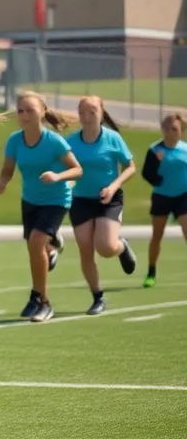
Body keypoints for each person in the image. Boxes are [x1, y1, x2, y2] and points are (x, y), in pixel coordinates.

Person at [0, 92, 83, 322]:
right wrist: (3, 182)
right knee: (35, 250)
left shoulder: (54, 141)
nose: (23, 115)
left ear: (42, 112)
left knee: (36, 242)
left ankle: (44, 302)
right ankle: (49, 254)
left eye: (30, 110)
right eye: (20, 110)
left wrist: (57, 176)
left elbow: (77, 170)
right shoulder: (15, 140)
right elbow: (7, 169)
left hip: (56, 200)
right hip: (30, 200)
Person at [66, 96, 138, 314]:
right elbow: (68, 170)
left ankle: (122, 246)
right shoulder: (71, 142)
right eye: (82, 113)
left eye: (92, 111)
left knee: (106, 247)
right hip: (81, 201)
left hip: (108, 200)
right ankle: (98, 297)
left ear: (101, 113)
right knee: (85, 250)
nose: (87, 117)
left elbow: (130, 167)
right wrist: (67, 184)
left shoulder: (112, 139)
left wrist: (113, 187)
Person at [141, 112, 187, 288]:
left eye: (174, 129)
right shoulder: (155, 150)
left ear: (181, 130)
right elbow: (147, 174)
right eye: (166, 128)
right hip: (162, 196)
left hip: (183, 196)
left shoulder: (185, 149)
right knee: (157, 235)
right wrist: (157, 170)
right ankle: (151, 272)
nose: (169, 132)